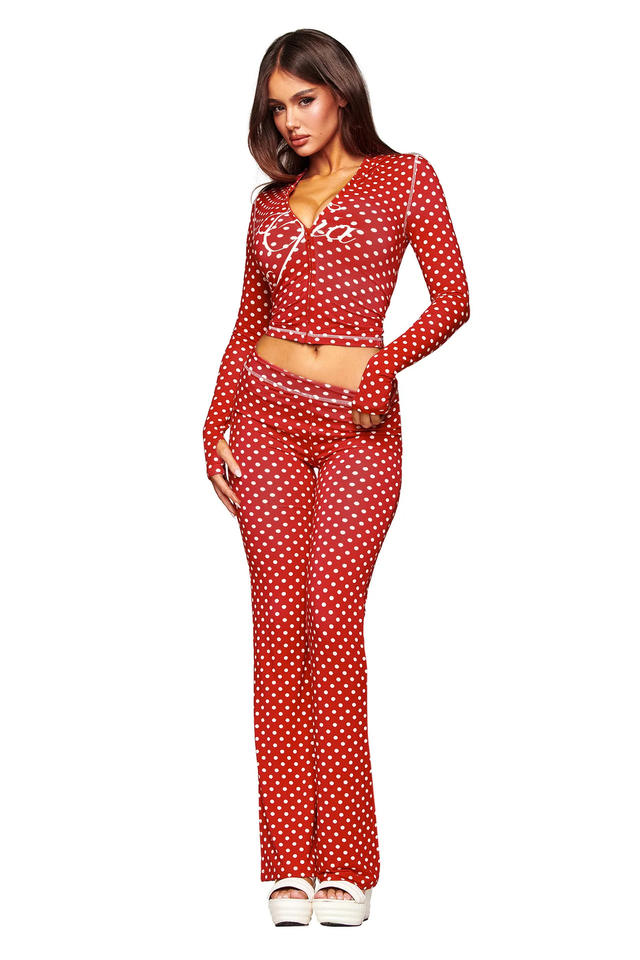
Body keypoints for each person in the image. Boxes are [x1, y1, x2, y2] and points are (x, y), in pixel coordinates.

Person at [202, 28, 470, 927]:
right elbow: (247, 324)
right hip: (266, 418)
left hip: (359, 426)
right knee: (277, 631)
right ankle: (288, 862)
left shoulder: (406, 179)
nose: (290, 120)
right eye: (277, 107)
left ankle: (348, 862)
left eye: (304, 99)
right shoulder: (268, 205)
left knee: (330, 616)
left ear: (341, 93)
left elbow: (455, 298)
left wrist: (383, 365)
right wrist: (212, 427)